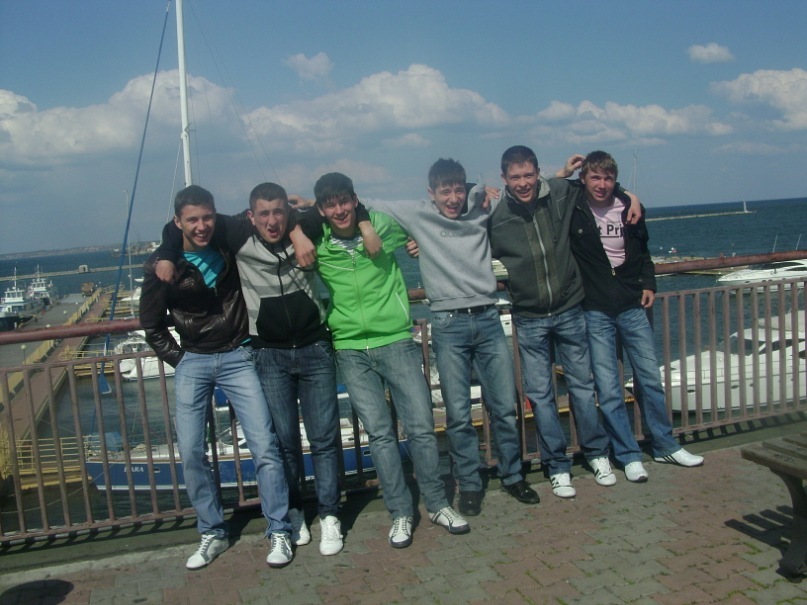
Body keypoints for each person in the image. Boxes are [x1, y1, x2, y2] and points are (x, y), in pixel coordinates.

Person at [153, 183, 361, 556]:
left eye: (279, 212)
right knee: (283, 443)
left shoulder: (306, 226)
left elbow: (349, 208)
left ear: (289, 213)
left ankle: (330, 515)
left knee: (325, 439)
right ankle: (294, 513)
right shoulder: (237, 233)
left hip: (314, 347)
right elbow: (183, 224)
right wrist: (166, 254)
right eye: (263, 213)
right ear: (251, 216)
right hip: (268, 353)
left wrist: (301, 231)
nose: (271, 220)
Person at [345, 159, 539, 516]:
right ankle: (470, 483)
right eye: (445, 191)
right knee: (458, 414)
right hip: (448, 325)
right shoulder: (419, 214)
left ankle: (513, 475)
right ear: (431, 193)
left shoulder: (481, 205)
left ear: (466, 189)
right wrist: (310, 208)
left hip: (488, 317)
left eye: (458, 190)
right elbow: (366, 203)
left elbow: (523, 190)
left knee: (504, 407)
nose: (452, 198)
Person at [299, 172, 470, 548]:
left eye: (344, 201)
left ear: (354, 200)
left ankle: (438, 504)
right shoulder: (318, 238)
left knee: (421, 428)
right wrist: (298, 230)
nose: (339, 210)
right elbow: (283, 228)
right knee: (380, 435)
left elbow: (429, 219)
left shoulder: (382, 225)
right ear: (322, 210)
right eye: (330, 205)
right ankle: (401, 513)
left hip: (395, 340)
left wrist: (416, 240)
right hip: (350, 348)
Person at [139, 185, 293, 569]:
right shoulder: (162, 267)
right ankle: (212, 530)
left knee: (264, 445)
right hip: (193, 358)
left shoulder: (226, 242)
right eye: (192, 220)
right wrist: (181, 360)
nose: (202, 226)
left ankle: (279, 528)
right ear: (178, 223)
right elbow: (152, 325)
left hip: (239, 354)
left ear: (215, 215)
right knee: (191, 451)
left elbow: (271, 219)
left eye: (207, 217)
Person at [487, 146, 639, 498]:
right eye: (515, 177)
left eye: (529, 175)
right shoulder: (496, 217)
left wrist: (632, 197)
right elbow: (463, 236)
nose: (523, 183)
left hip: (570, 308)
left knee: (583, 388)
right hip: (529, 316)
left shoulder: (558, 192)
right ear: (504, 178)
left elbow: (599, 185)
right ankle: (557, 465)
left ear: (538, 172)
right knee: (541, 397)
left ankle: (597, 453)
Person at [566, 150, 704, 481]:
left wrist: (649, 284)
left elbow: (644, 252)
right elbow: (546, 189)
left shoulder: (629, 207)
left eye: (608, 178)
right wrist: (563, 171)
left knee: (650, 379)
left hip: (632, 305)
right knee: (609, 388)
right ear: (583, 179)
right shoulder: (574, 207)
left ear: (616, 181)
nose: (602, 184)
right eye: (595, 177)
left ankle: (665, 444)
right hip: (595, 310)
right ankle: (627, 454)